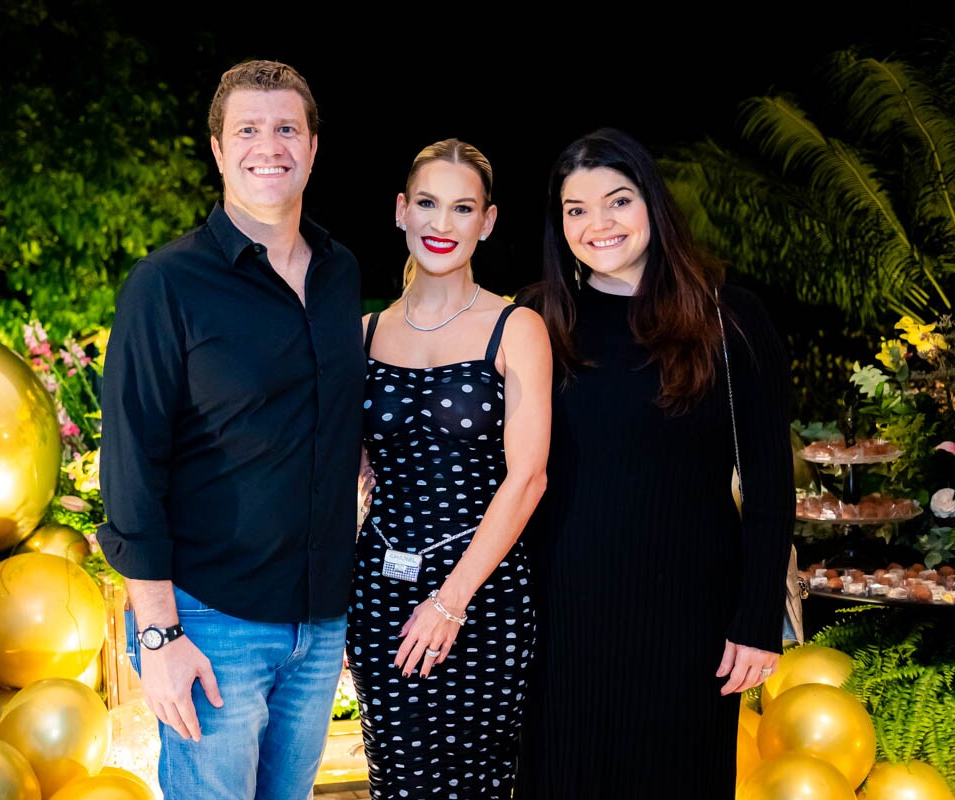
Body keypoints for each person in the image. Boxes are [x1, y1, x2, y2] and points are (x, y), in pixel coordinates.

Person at [96, 59, 365, 800]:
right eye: (247, 129)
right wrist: (159, 636)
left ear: (312, 147)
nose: (268, 145)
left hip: (319, 622)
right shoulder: (167, 285)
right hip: (211, 624)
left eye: (286, 128)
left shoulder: (341, 273)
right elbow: (130, 466)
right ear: (218, 150)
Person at [513, 127, 795, 797]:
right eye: (575, 209)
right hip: (560, 616)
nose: (597, 224)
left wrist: (756, 621)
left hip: (691, 619)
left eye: (617, 201)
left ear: (653, 205)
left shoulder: (730, 316)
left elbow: (769, 478)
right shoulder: (536, 318)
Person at [346, 138, 552, 799]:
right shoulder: (365, 332)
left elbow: (529, 478)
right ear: (401, 211)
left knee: (478, 783)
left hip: (482, 595)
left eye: (462, 208)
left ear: (487, 222)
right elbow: (344, 475)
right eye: (428, 204)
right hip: (378, 590)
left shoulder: (516, 327)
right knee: (396, 779)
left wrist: (449, 601)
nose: (442, 225)